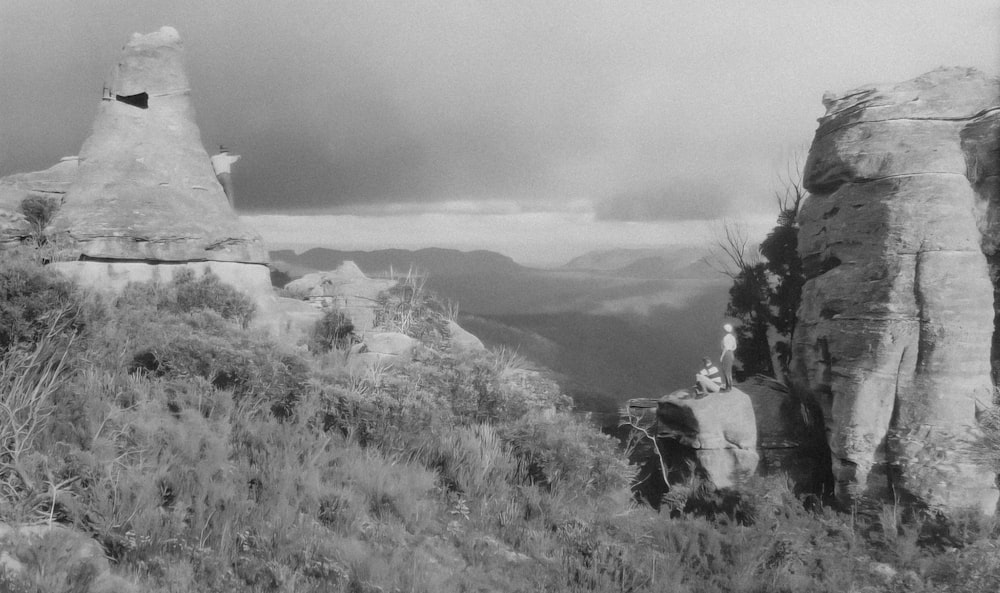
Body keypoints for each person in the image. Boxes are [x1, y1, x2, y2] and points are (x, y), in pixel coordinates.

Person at [720, 323, 737, 391]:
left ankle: (728, 387)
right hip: (731, 354)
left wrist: (722, 356)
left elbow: (725, 348)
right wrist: (731, 350)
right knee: (729, 370)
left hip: (726, 354)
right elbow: (735, 347)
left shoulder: (725, 338)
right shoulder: (733, 337)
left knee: (726, 370)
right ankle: (730, 386)